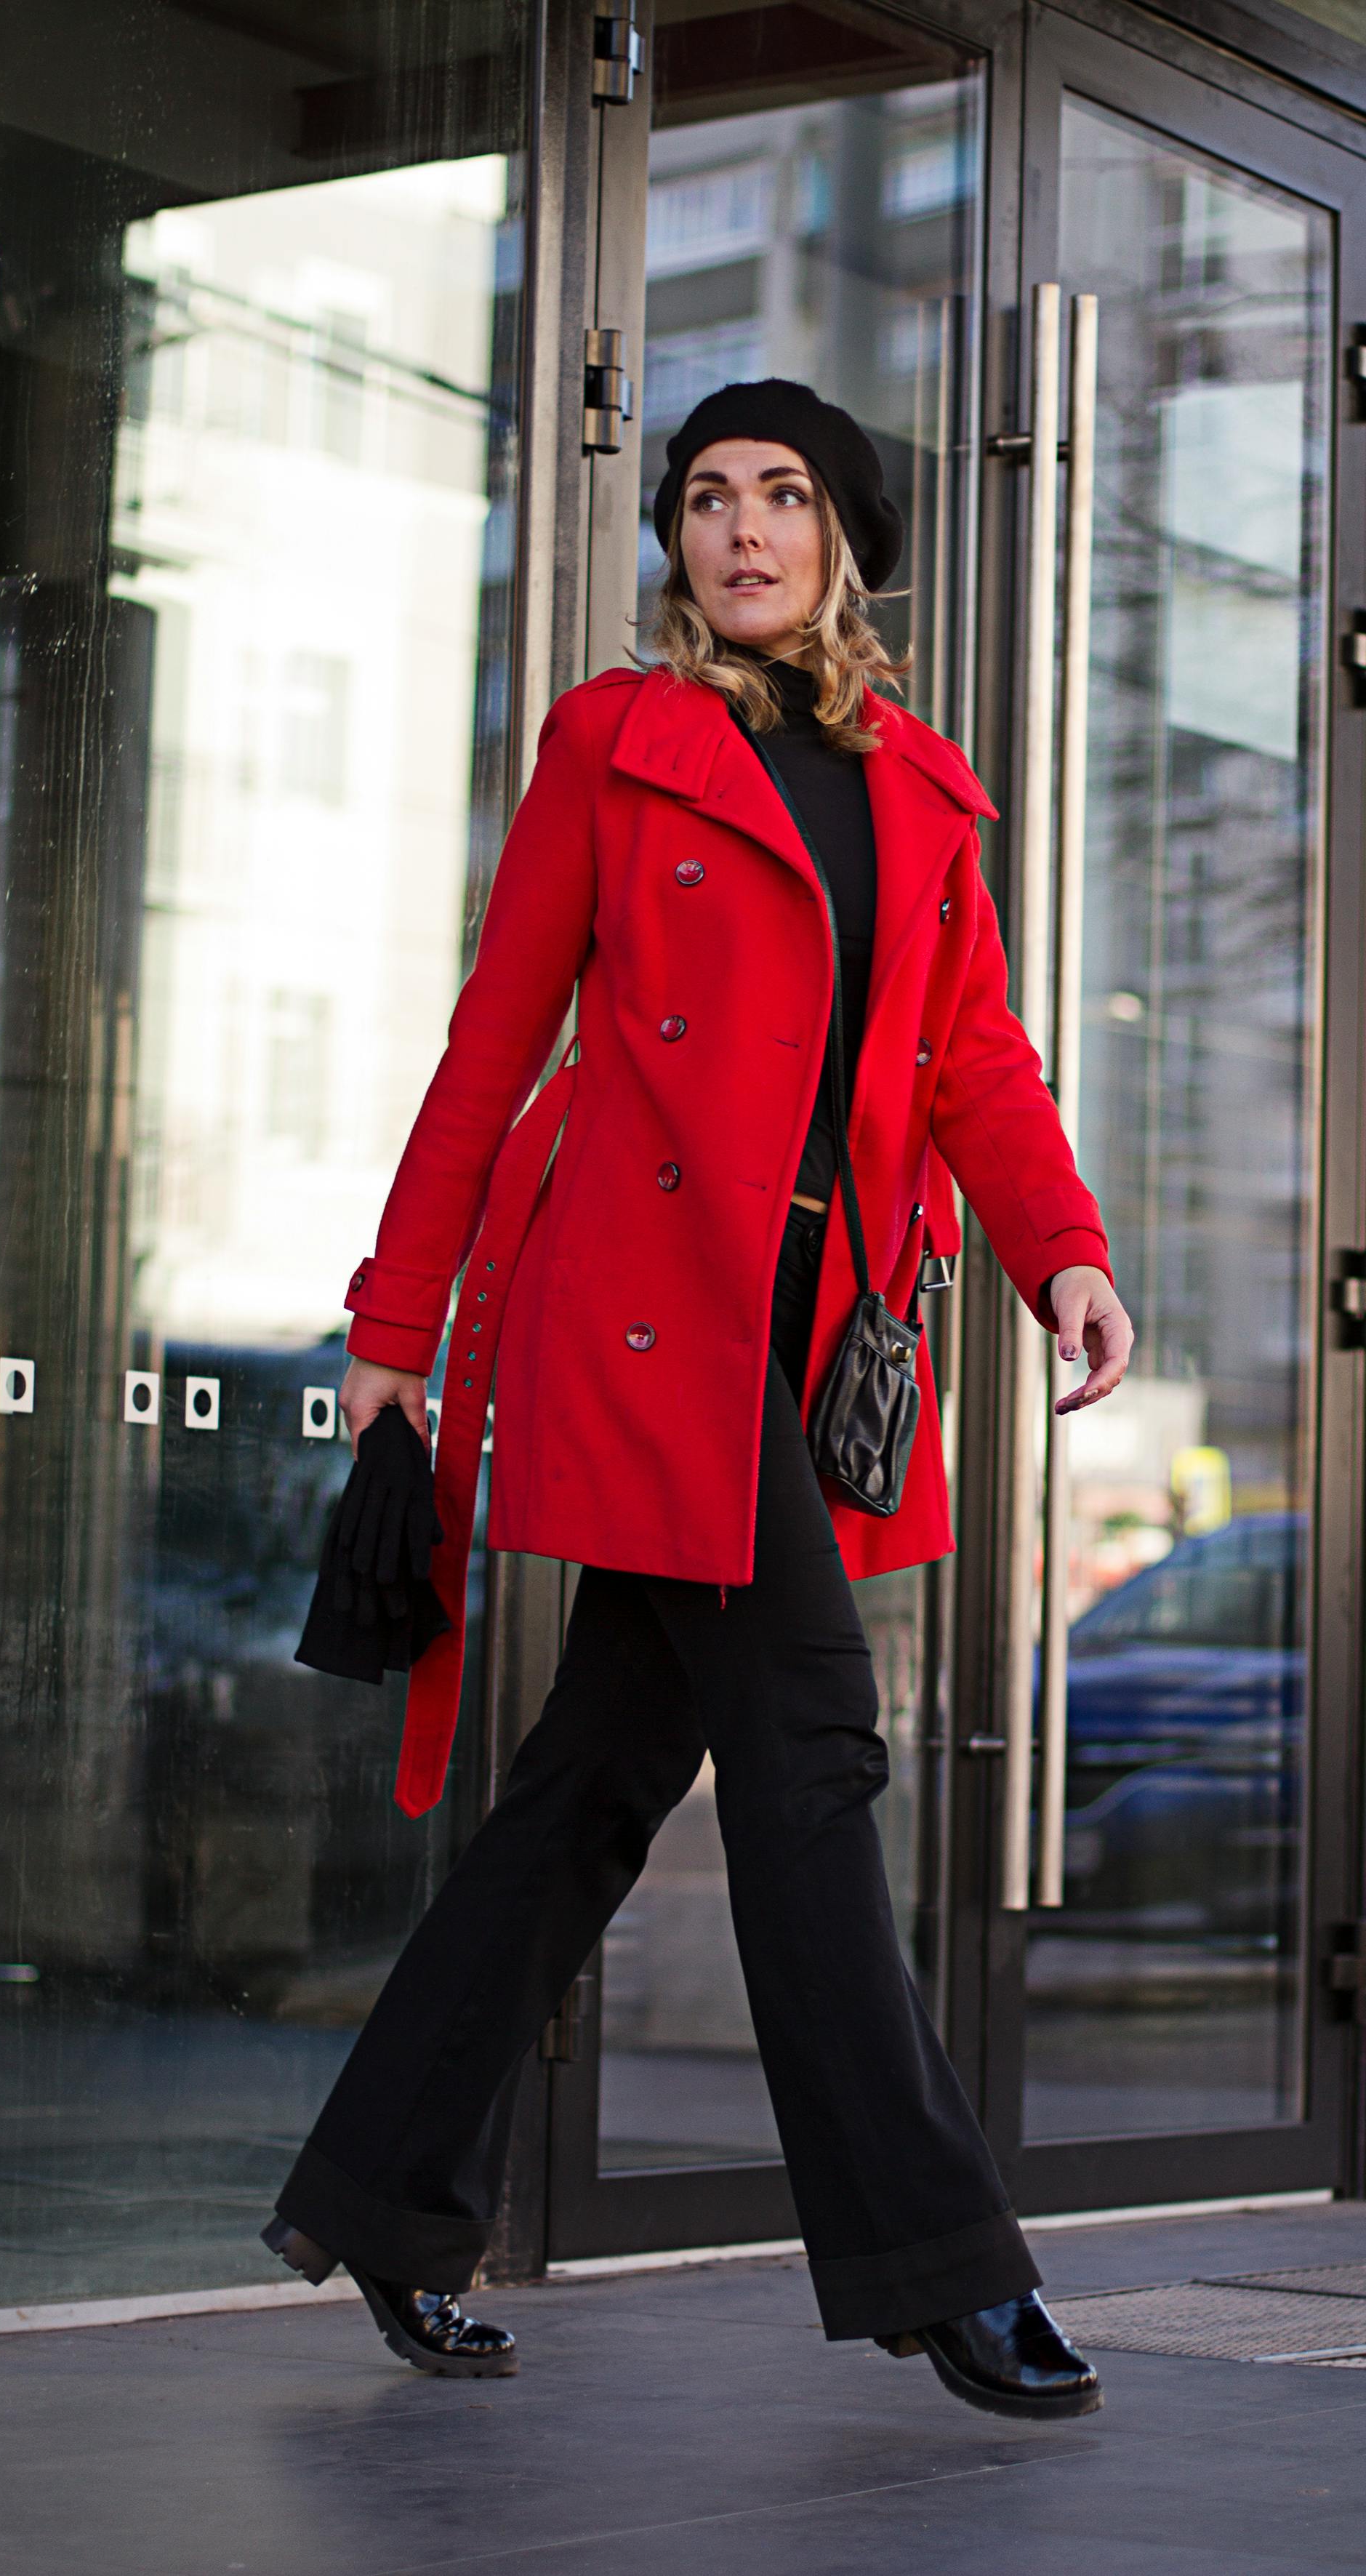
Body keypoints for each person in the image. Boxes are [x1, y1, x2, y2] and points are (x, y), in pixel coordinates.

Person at [262, 380, 1134, 2420]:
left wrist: (1063, 1253)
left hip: (814, 1334)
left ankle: (388, 2198)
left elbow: (973, 1065)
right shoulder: (618, 740)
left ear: (845, 541)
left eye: (783, 495)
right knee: (813, 1746)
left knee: (593, 1785)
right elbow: (496, 1036)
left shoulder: (921, 790)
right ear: (675, 536)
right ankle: (940, 2264)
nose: (740, 529)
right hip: (652, 1320)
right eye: (708, 497)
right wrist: (394, 1319)